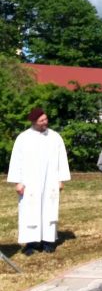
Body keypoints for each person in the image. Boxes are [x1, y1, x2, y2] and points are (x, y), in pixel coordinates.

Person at [7, 107, 71, 255]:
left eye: (46, 119)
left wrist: (61, 179)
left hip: (50, 181)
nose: (45, 122)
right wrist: (18, 182)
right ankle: (30, 243)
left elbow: (62, 158)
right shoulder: (23, 138)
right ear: (34, 122)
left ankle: (48, 241)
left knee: (49, 209)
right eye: (41, 120)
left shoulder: (55, 137)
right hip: (29, 182)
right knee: (29, 211)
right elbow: (16, 160)